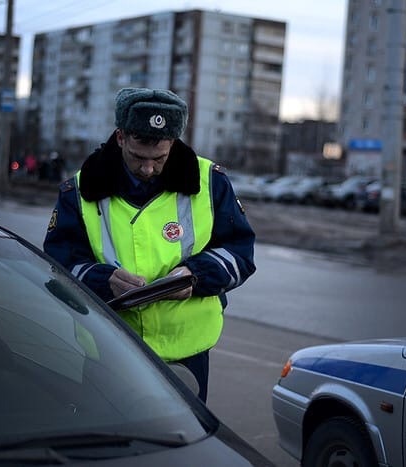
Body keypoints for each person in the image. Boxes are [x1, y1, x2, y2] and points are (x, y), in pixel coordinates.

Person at [43, 87, 256, 402]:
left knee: (183, 446)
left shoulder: (210, 181)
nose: (148, 168)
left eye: (159, 158)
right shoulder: (79, 190)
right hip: (108, 348)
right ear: (120, 138)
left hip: (186, 351)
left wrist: (194, 276)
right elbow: (57, 264)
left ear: (172, 142)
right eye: (138, 157)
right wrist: (103, 280)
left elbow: (240, 255)